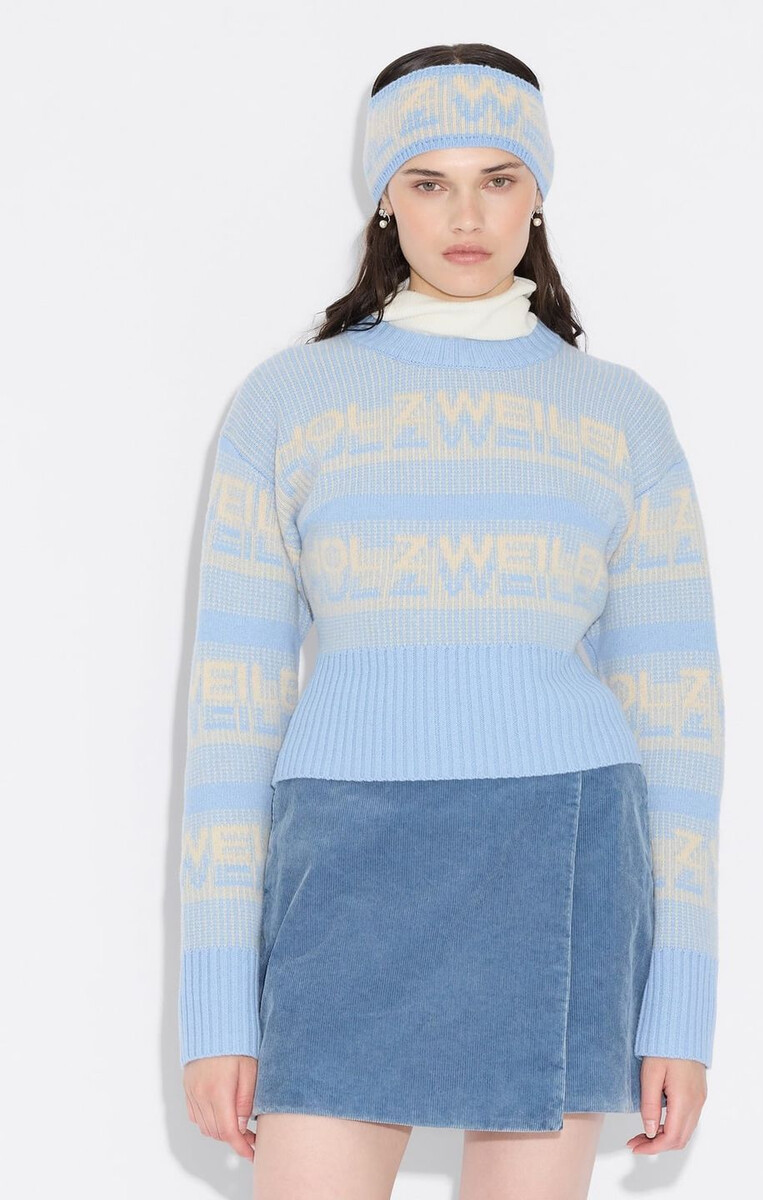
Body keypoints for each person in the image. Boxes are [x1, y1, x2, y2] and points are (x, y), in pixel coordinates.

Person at [178, 43, 725, 1200]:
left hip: (559, 849)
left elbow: (681, 727)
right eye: (429, 181)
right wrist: (216, 1009)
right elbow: (231, 718)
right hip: (345, 862)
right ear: (385, 197)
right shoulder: (287, 402)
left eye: (498, 179)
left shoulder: (619, 415)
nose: (466, 216)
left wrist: (678, 1007)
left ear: (539, 194)